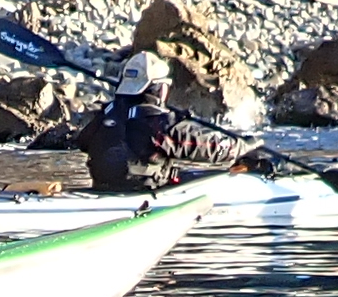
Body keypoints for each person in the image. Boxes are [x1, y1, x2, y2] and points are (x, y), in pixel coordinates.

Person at [76, 49, 274, 194]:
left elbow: (82, 141)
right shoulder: (161, 124)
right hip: (144, 192)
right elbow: (210, 147)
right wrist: (244, 146)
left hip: (104, 188)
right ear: (160, 88)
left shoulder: (105, 115)